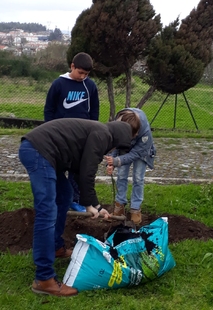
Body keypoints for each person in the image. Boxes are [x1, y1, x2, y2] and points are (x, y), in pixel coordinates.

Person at [18, 116, 140, 297]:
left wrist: (95, 206)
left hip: (43, 151)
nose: (113, 150)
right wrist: (89, 205)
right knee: (47, 211)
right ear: (118, 139)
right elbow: (87, 173)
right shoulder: (102, 135)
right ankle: (44, 278)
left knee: (64, 195)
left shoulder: (99, 132)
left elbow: (78, 171)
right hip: (40, 150)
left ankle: (55, 247)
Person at [43, 52, 100, 212]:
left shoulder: (90, 86)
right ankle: (58, 198)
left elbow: (94, 110)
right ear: (72, 66)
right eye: (80, 72)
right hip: (61, 137)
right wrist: (50, 131)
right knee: (59, 169)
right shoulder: (59, 84)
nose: (82, 76)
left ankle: (75, 199)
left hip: (82, 138)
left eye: (86, 74)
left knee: (77, 171)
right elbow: (49, 109)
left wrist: (93, 130)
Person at [104, 108, 155, 225]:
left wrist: (117, 161)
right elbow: (114, 145)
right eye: (133, 135)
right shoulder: (117, 125)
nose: (135, 135)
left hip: (142, 151)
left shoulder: (144, 132)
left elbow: (136, 153)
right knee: (121, 175)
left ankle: (135, 208)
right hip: (124, 148)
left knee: (138, 178)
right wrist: (110, 163)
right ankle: (119, 205)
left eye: (136, 133)